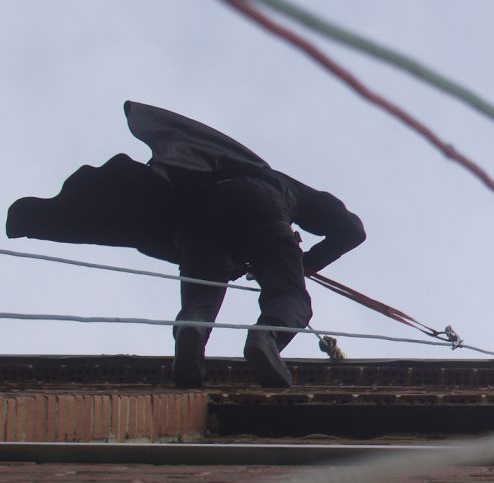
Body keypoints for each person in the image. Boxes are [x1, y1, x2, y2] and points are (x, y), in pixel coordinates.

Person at [6, 101, 364, 389]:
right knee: (292, 298)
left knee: (202, 296)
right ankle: (265, 336)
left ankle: (192, 329)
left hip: (198, 216)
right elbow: (351, 230)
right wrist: (304, 264)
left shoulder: (210, 171)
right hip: (263, 207)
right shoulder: (284, 183)